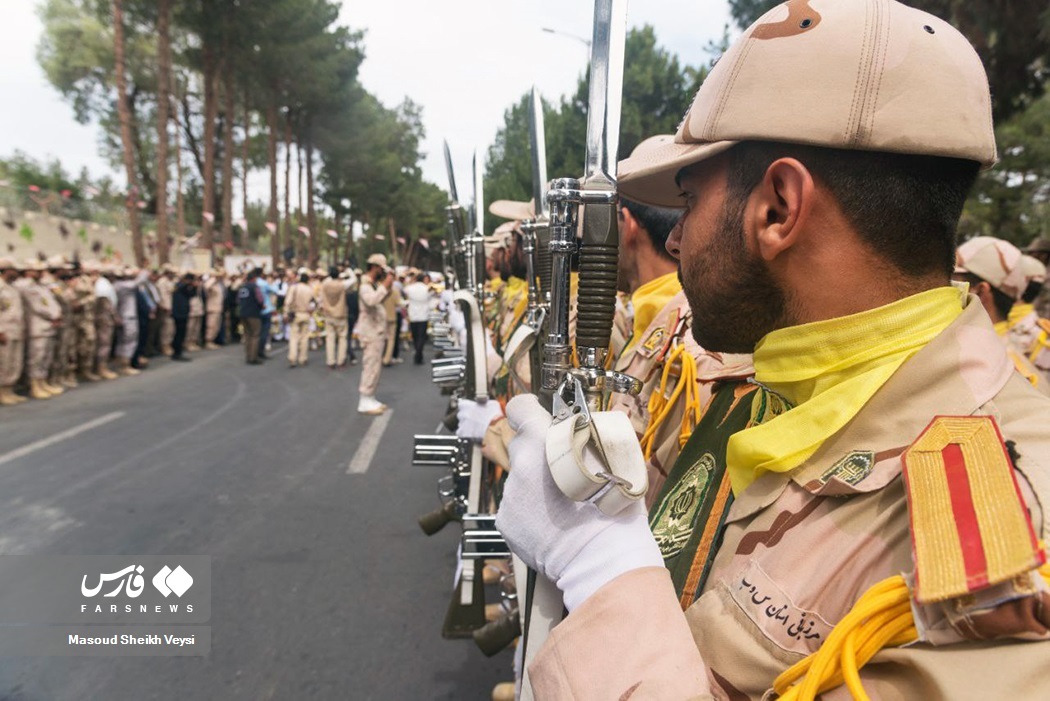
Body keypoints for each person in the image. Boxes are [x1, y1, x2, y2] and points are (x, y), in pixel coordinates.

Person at [495, 1, 1050, 698]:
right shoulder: (787, 389)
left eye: (692, 200)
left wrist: (601, 571)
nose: (675, 240)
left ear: (778, 209)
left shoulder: (1009, 531)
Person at [16, 260, 63, 399]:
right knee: (36, 357)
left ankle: (43, 382)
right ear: (29, 271)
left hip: (48, 325)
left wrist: (57, 315)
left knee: (45, 357)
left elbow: (51, 303)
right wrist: (54, 316)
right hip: (37, 326)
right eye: (38, 271)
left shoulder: (41, 286)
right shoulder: (26, 286)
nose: (41, 273)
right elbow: (38, 307)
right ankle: (34, 385)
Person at [357, 253, 393, 414]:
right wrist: (384, 286)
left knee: (375, 366)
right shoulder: (365, 285)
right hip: (370, 332)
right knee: (371, 365)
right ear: (375, 267)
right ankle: (365, 399)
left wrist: (387, 287)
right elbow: (371, 301)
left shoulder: (372, 285)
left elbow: (379, 300)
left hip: (376, 331)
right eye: (381, 269)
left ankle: (370, 397)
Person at [0, 258, 26, 405]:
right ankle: (2, 392)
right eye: (13, 270)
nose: (15, 273)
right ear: (5, 270)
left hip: (16, 329)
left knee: (14, 361)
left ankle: (9, 390)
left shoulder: (12, 287)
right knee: (4, 363)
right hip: (5, 330)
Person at [320, 266, 350, 368]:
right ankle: (341, 360)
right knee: (342, 338)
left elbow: (320, 299)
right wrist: (348, 270)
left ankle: (330, 361)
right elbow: (353, 280)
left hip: (328, 314)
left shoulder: (324, 285)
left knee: (330, 339)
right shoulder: (342, 285)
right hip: (341, 314)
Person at [284, 270, 314, 368]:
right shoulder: (310, 289)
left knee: (294, 337)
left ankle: (293, 358)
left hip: (296, 314)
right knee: (304, 337)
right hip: (306, 314)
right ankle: (303, 358)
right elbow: (313, 303)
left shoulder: (294, 288)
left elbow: (288, 302)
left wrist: (285, 313)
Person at [238, 268, 266, 365]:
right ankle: (253, 357)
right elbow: (260, 299)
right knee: (255, 335)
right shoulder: (254, 287)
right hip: (253, 313)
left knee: (247, 335)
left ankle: (248, 356)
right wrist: (262, 306)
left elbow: (239, 299)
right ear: (254, 278)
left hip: (243, 312)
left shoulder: (242, 287)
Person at [403, 270, 431, 365]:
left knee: (415, 336)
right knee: (421, 336)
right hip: (423, 315)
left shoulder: (410, 288)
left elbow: (404, 291)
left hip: (413, 315)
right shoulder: (426, 288)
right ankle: (419, 353)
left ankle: (417, 352)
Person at [170, 272, 196, 362]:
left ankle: (178, 351)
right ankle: (177, 353)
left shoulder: (184, 286)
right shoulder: (179, 285)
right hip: (178, 313)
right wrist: (188, 283)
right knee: (179, 333)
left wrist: (194, 286)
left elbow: (192, 294)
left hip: (184, 312)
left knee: (182, 333)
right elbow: (182, 289)